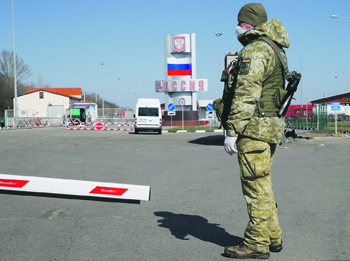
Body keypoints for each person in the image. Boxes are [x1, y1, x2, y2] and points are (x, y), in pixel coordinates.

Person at [222, 3, 290, 259]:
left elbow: (246, 92)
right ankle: (273, 236)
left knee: (255, 187)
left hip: (254, 129)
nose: (237, 28)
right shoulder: (275, 48)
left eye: (239, 23)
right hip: (269, 127)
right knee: (263, 185)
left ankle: (256, 243)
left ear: (248, 24)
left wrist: (233, 129)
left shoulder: (256, 49)